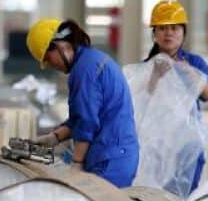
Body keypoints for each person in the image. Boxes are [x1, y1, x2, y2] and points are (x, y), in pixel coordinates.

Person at [26, 18, 140, 188]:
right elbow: (80, 119)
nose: (50, 65)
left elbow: (87, 122)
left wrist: (77, 164)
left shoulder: (84, 70)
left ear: (59, 46)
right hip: (117, 155)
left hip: (109, 160)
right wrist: (54, 137)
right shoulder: (92, 60)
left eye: (48, 58)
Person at [145, 0, 208, 191]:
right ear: (154, 34)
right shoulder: (146, 67)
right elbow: (142, 101)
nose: (168, 33)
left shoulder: (195, 63)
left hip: (187, 144)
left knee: (184, 194)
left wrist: (189, 72)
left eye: (174, 28)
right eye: (162, 28)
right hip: (157, 143)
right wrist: (155, 76)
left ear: (183, 32)